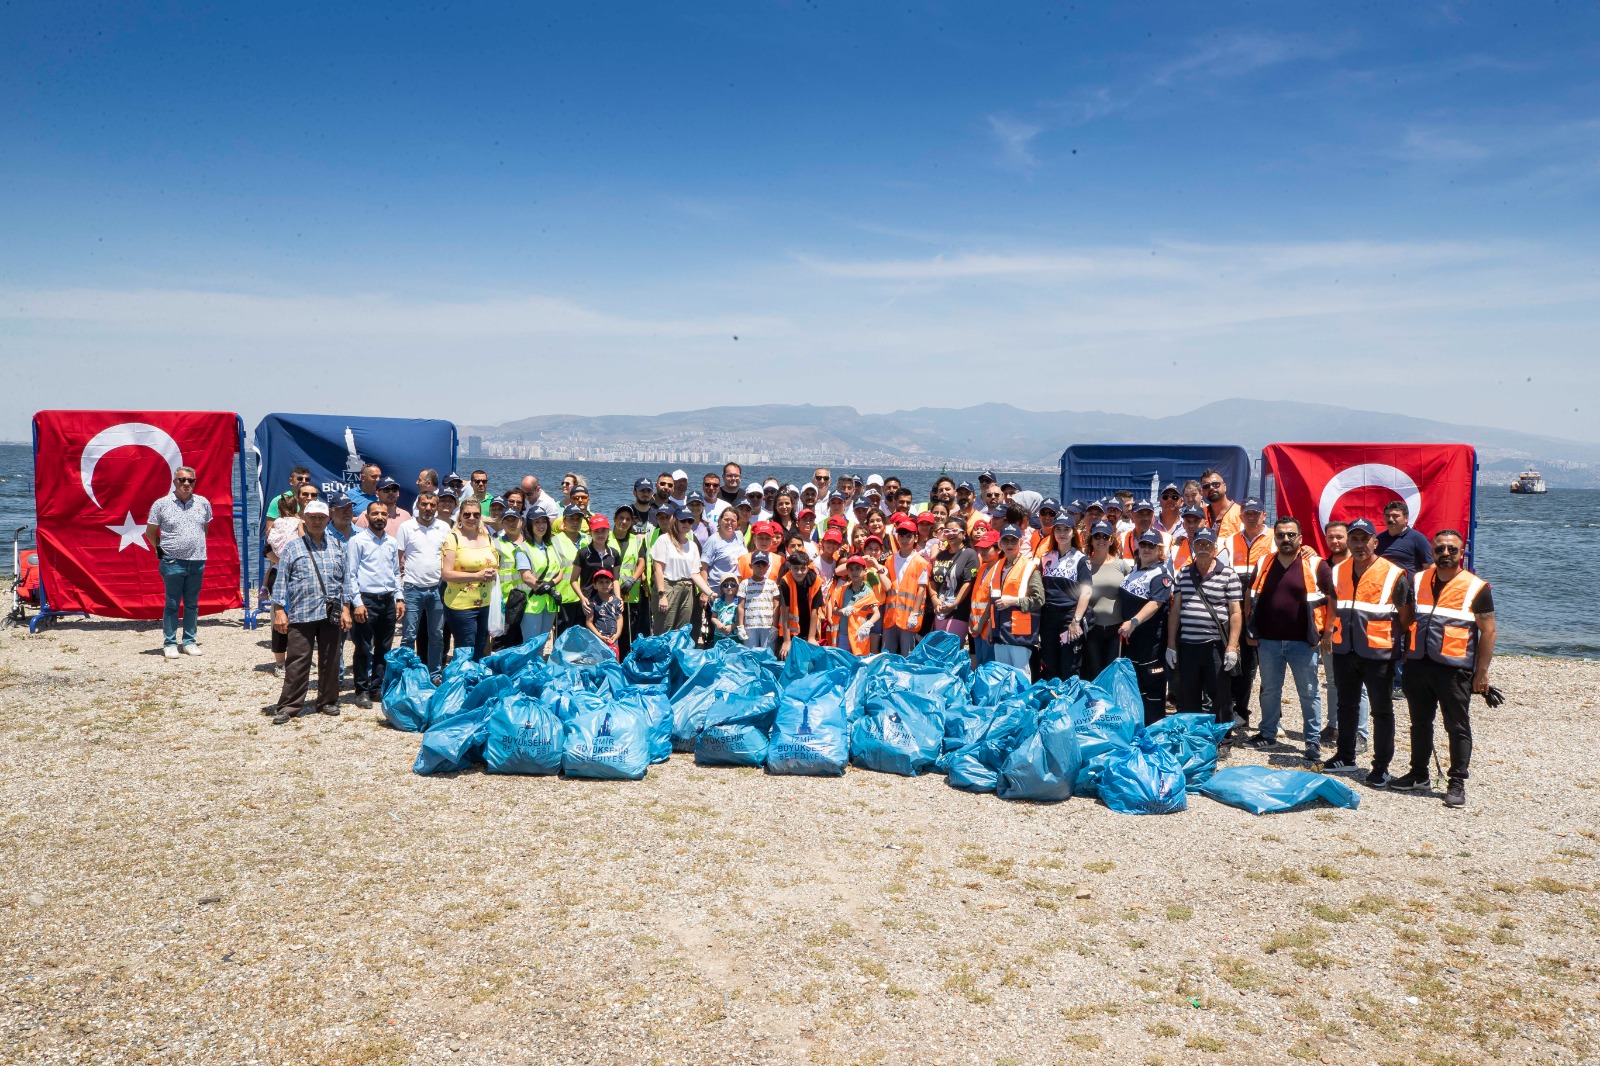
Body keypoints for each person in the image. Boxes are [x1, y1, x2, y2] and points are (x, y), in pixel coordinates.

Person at [1391, 529, 1493, 808]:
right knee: (1420, 723)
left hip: (1454, 670)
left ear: (1462, 553)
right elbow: (1407, 617)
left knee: (1457, 726)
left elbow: (1489, 631)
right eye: (1440, 549)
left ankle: (1457, 782)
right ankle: (1418, 773)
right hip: (1418, 664)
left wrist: (1481, 673)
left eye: (1452, 549)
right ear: (1432, 551)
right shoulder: (1418, 579)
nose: (1445, 554)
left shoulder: (1476, 587)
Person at [1323, 519, 1414, 782]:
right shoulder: (1338, 570)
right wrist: (1329, 631)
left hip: (1379, 654)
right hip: (1345, 650)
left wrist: (1399, 645)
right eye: (1355, 539)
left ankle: (1380, 767)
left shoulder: (1393, 573)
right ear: (1348, 542)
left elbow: (1407, 618)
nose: (1360, 545)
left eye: (1365, 539)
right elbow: (1334, 603)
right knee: (1346, 705)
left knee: (1381, 710)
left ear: (1375, 541)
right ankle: (1345, 756)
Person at [1243, 516, 1335, 762]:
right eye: (1281, 535)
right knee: (1270, 690)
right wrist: (1249, 630)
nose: (1286, 539)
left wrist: (1327, 632)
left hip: (1303, 643)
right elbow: (1249, 595)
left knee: (1309, 692)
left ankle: (1312, 741)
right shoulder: (1264, 562)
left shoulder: (1316, 565)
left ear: (1300, 538)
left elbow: (1333, 597)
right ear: (1275, 538)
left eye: (1291, 535)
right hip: (1269, 641)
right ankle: (1268, 733)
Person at [268, 500, 350, 724]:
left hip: (330, 613)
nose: (316, 521)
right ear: (304, 518)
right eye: (312, 516)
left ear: (328, 519)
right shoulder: (293, 547)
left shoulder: (338, 545)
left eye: (321, 517)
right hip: (301, 612)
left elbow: (346, 581)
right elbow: (281, 582)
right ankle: (289, 706)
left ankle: (328, 701)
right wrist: (279, 611)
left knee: (330, 660)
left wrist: (346, 608)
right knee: (298, 661)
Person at [1166, 527, 1242, 737]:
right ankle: (1193, 737)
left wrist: (1232, 647)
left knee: (1220, 696)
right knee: (1188, 695)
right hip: (1188, 645)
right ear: (1193, 546)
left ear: (1215, 548)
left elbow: (1235, 612)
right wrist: (1171, 644)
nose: (1202, 548)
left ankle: (1222, 738)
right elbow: (1176, 610)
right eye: (1199, 544)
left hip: (1215, 645)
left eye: (1207, 544)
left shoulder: (1228, 574)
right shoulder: (1184, 573)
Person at [145, 465, 212, 659]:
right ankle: (170, 643)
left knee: (192, 604)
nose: (186, 484)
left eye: (190, 480)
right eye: (182, 480)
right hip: (173, 562)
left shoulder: (203, 503)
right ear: (174, 481)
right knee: (172, 603)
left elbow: (204, 529)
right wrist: (162, 552)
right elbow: (151, 532)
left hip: (197, 561)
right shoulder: (161, 504)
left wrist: (194, 546)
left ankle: (189, 641)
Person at [344, 501, 405, 709]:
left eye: (383, 514)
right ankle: (361, 690)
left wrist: (399, 598)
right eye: (375, 514)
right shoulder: (357, 541)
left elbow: (396, 573)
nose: (379, 517)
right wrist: (357, 603)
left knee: (384, 647)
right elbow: (350, 575)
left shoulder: (391, 542)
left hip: (387, 600)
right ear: (367, 516)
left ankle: (377, 687)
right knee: (363, 647)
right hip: (366, 600)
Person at [1319, 520, 1370, 753]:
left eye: (1339, 537)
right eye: (1331, 537)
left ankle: (1360, 733)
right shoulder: (1325, 566)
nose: (1335, 541)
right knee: (1332, 681)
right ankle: (1333, 724)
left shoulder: (1361, 564)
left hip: (1360, 637)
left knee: (1360, 687)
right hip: (1333, 635)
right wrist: (1326, 632)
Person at [1117, 530, 1174, 725]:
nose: (1147, 549)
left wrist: (1133, 621)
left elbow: (1156, 603)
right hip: (1131, 641)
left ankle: (1154, 730)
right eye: (1143, 545)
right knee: (1134, 686)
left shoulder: (1161, 574)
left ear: (1160, 551)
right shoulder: (1135, 570)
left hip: (1151, 642)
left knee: (1152, 689)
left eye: (1152, 546)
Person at [1228, 498, 1273, 730]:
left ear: (1264, 515)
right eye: (1248, 513)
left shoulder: (1275, 538)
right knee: (1243, 666)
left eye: (1256, 513)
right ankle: (1241, 711)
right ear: (1241, 516)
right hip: (1239, 608)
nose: (1252, 517)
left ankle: (1273, 718)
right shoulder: (1230, 539)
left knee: (1269, 667)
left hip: (1266, 609)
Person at [396, 492, 451, 683]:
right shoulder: (406, 527)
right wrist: (399, 591)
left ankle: (434, 674)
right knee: (409, 635)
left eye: (432, 505)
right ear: (418, 505)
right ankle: (407, 673)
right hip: (412, 588)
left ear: (436, 507)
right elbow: (397, 559)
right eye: (424, 504)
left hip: (437, 589)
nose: (428, 508)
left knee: (437, 634)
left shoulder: (444, 528)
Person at [440, 498, 499, 661]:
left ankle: (475, 682)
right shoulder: (453, 538)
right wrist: (477, 576)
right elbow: (446, 574)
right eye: (467, 514)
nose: (471, 518)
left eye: (476, 514)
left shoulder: (486, 536)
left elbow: (495, 561)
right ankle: (463, 681)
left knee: (480, 648)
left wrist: (494, 572)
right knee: (466, 648)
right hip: (461, 605)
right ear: (460, 516)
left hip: (486, 603)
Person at [1036, 519, 1092, 680]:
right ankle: (1053, 702)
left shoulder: (1081, 559)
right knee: (1049, 663)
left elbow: (1086, 592)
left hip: (1069, 617)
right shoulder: (1046, 557)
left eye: (1066, 529)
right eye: (1058, 529)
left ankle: (1069, 703)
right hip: (1048, 617)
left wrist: (1076, 621)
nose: (1062, 533)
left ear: (1073, 532)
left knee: (1070, 665)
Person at [986, 524, 1045, 675]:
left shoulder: (1029, 566)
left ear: (1020, 542)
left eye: (1014, 540)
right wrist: (989, 626)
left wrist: (1013, 601)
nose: (1010, 544)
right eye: (1006, 540)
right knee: (1001, 677)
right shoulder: (997, 566)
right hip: (999, 633)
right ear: (1000, 543)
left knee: (1021, 678)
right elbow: (992, 600)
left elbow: (1039, 600)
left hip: (1019, 635)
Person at [1082, 519, 1134, 680]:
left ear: (1111, 539)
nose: (1101, 540)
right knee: (1094, 671)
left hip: (1116, 628)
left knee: (1112, 673)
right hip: (1092, 628)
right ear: (1091, 539)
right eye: (1097, 536)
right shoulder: (1084, 564)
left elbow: (1134, 595)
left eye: (1105, 537)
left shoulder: (1122, 565)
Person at [651, 505, 711, 633]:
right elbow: (658, 569)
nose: (686, 524)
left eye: (690, 521)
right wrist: (662, 595)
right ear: (675, 521)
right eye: (683, 520)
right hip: (668, 587)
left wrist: (709, 592)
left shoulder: (693, 545)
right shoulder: (663, 540)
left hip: (687, 589)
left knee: (682, 631)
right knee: (664, 629)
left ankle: (678, 653)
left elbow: (695, 574)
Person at [880, 517, 931, 656]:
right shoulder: (890, 559)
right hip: (891, 616)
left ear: (915, 538)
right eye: (901, 536)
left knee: (907, 654)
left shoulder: (921, 562)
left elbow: (921, 589)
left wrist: (914, 614)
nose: (904, 539)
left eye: (909, 536)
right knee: (887, 653)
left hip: (908, 617)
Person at [775, 531, 827, 654]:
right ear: (790, 568)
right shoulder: (785, 582)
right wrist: (787, 641)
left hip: (809, 625)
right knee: (784, 655)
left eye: (802, 568)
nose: (799, 572)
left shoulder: (815, 581)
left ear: (808, 567)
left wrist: (811, 638)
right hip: (791, 631)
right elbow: (785, 611)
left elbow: (815, 610)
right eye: (795, 568)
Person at [572, 513, 620, 621]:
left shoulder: (614, 553)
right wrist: (582, 598)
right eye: (596, 531)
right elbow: (573, 580)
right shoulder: (583, 553)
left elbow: (616, 579)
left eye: (603, 531)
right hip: (588, 602)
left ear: (608, 531)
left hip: (609, 601)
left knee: (608, 634)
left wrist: (618, 598)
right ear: (590, 533)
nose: (600, 535)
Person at [829, 555, 880, 656]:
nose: (854, 572)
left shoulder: (868, 592)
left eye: (858, 569)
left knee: (860, 660)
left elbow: (877, 613)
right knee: (843, 660)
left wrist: (868, 625)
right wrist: (842, 611)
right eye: (851, 569)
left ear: (864, 571)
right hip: (843, 633)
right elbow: (833, 609)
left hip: (859, 633)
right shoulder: (842, 590)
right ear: (847, 573)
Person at [550, 505, 589, 634]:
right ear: (564, 521)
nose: (575, 522)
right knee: (563, 635)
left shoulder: (588, 539)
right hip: (564, 596)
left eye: (578, 519)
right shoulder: (555, 541)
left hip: (585, 595)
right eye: (571, 518)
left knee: (583, 634)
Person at [967, 530, 1002, 664]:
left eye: (987, 548)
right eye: (981, 548)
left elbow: (993, 601)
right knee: (980, 662)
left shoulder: (1000, 569)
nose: (983, 551)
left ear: (998, 548)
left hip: (988, 627)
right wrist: (971, 621)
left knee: (989, 665)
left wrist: (981, 625)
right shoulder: (982, 568)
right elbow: (976, 597)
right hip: (976, 626)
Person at [737, 552, 781, 651]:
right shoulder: (744, 584)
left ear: (768, 566)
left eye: (764, 566)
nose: (761, 569)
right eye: (757, 565)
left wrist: (775, 627)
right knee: (750, 654)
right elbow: (740, 606)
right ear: (750, 566)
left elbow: (776, 606)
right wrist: (740, 626)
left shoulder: (772, 584)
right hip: (750, 625)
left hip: (768, 625)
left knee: (768, 654)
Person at [585, 570, 624, 659]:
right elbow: (589, 622)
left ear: (612, 585)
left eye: (607, 582)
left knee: (614, 660)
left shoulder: (616, 601)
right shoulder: (593, 602)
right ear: (595, 585)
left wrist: (617, 634)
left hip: (613, 638)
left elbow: (619, 618)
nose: (605, 585)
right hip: (598, 638)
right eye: (601, 582)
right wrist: (599, 636)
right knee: (599, 661)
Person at [709, 575, 742, 645]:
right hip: (719, 635)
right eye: (726, 585)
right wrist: (718, 623)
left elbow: (742, 620)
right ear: (721, 588)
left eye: (733, 585)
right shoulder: (717, 601)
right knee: (719, 654)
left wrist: (732, 627)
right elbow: (713, 617)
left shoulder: (739, 602)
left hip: (735, 635)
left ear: (737, 587)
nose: (729, 587)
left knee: (734, 654)